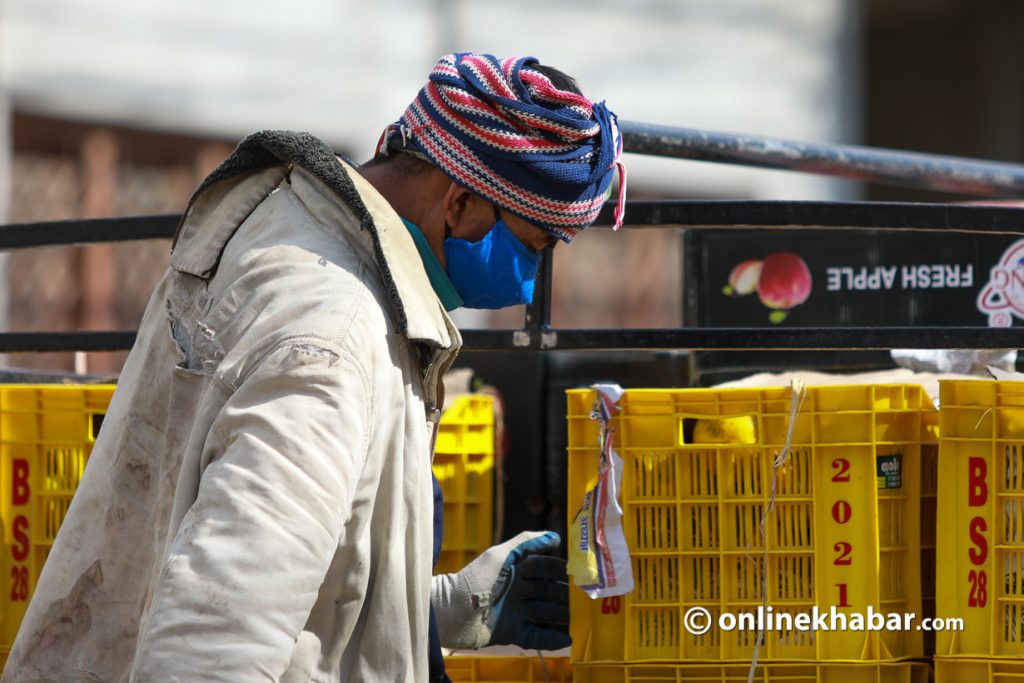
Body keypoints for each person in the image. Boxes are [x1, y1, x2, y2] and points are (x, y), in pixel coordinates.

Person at [3, 52, 625, 682]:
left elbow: (265, 574)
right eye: (534, 245)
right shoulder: (333, 341)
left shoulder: (284, 232)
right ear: (460, 204)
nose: (529, 280)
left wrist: (448, 609)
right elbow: (213, 641)